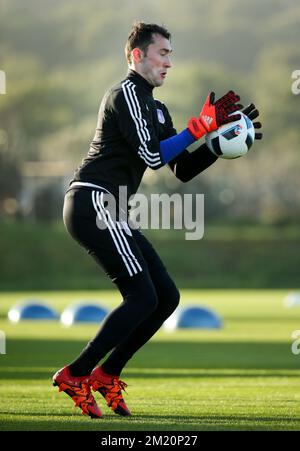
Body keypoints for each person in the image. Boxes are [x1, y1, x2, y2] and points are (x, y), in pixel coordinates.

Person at [53, 21, 262, 419]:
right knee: (142, 297)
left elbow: (179, 167)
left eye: (171, 54)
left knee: (166, 298)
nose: (169, 62)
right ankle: (75, 374)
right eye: (163, 53)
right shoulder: (125, 94)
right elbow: (151, 156)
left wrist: (219, 142)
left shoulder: (155, 106)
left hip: (110, 208)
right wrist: (199, 126)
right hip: (93, 202)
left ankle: (107, 374)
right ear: (137, 55)